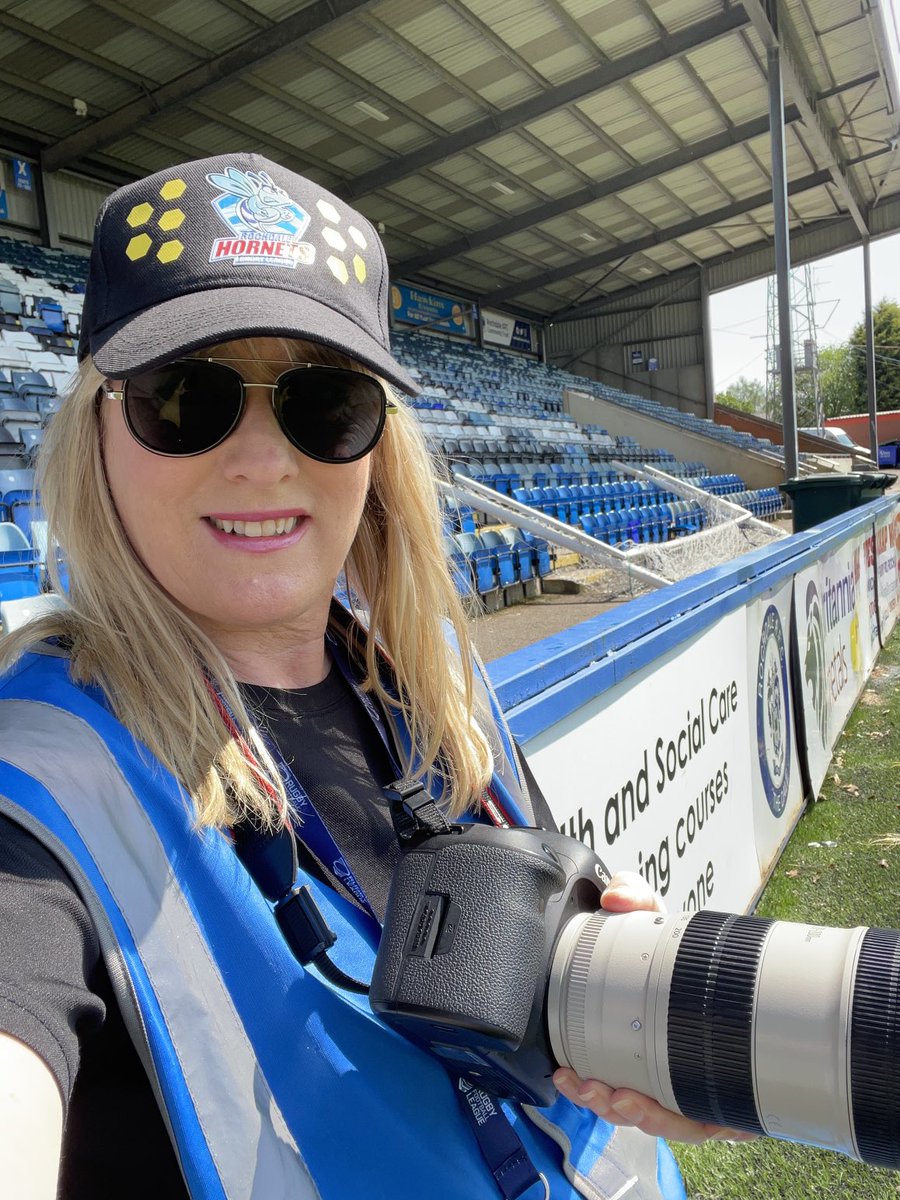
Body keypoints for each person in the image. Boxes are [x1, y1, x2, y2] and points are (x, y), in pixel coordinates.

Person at [0, 153, 744, 1200]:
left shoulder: (435, 693)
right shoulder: (36, 791)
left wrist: (633, 1034)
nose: (262, 461)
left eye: (324, 400)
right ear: (99, 431)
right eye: (185, 397)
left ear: (377, 448)